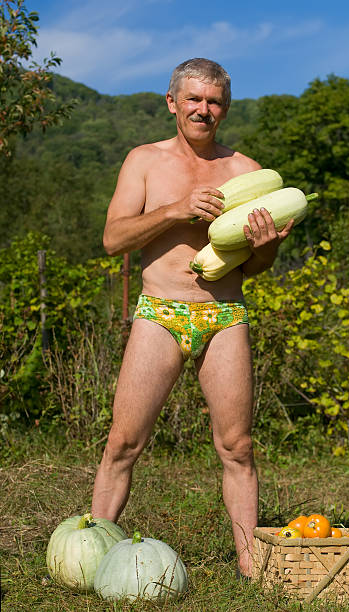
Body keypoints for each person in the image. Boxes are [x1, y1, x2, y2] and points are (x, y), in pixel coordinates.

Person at [91, 58, 293, 578]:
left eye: (215, 101)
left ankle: (251, 568)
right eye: (195, 99)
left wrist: (266, 248)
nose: (204, 109)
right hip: (159, 312)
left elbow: (257, 268)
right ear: (172, 103)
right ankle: (92, 553)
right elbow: (114, 240)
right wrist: (176, 209)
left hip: (225, 314)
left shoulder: (248, 172)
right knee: (123, 443)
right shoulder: (144, 161)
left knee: (238, 446)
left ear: (225, 108)